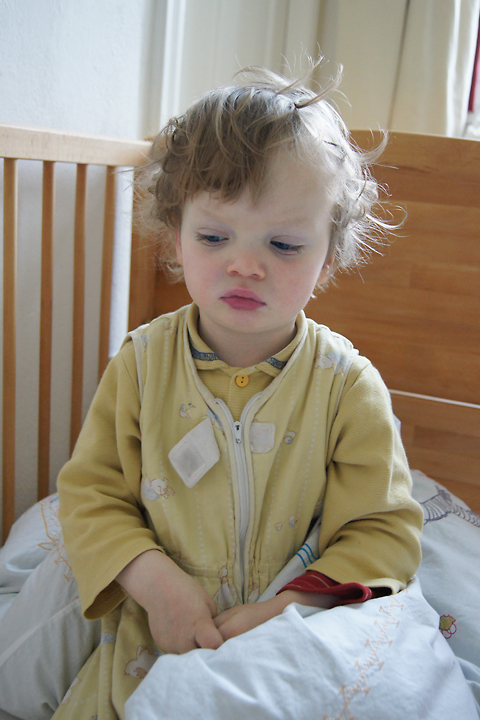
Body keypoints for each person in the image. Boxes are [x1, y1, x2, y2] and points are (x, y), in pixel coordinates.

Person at [52, 64, 423, 717]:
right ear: (176, 238)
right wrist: (153, 581)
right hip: (154, 643)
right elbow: (90, 497)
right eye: (214, 237)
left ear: (328, 257)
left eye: (284, 244)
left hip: (291, 643)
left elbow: (382, 529)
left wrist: (292, 606)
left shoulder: (346, 387)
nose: (246, 264)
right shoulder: (141, 367)